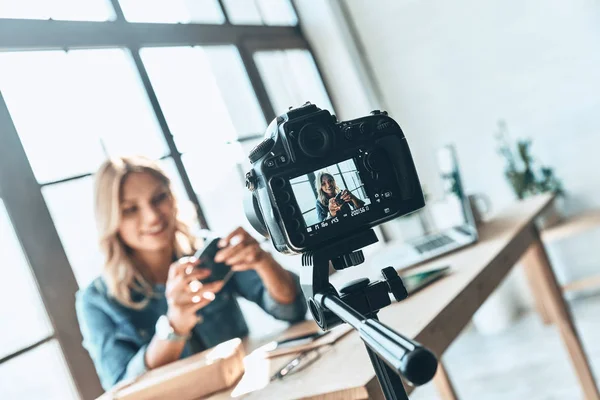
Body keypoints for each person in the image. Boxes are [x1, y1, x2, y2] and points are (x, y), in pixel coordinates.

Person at [75, 156, 307, 390]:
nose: (153, 216)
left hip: (248, 388)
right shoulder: (96, 301)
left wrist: (263, 261)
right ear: (111, 219)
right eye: (131, 209)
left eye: (159, 198)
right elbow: (122, 388)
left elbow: (293, 309)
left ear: (172, 196)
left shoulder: (208, 251)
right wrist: (175, 326)